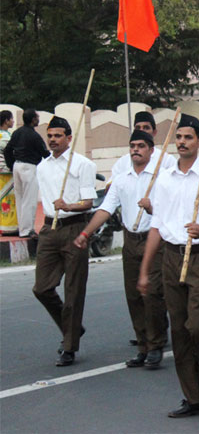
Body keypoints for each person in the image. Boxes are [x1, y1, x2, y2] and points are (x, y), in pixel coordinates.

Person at [137, 114, 199, 417]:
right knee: (179, 331)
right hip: (171, 256)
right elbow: (157, 225)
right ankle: (193, 398)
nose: (182, 142)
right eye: (178, 137)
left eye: (188, 137)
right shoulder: (164, 179)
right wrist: (144, 269)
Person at [74, 130, 166, 369]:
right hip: (131, 240)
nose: (136, 149)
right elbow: (105, 209)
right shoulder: (122, 179)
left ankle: (156, 345)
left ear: (151, 150)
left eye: (141, 146)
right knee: (134, 295)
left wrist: (152, 208)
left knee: (152, 293)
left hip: (154, 239)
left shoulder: (161, 177)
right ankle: (144, 346)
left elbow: (171, 213)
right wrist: (86, 233)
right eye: (133, 145)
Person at [33, 116, 97, 366]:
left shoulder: (83, 165)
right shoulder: (42, 166)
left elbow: (89, 203)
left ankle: (69, 346)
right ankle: (72, 328)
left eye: (58, 135)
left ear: (69, 138)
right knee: (42, 288)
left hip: (75, 228)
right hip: (50, 229)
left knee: (73, 291)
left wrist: (68, 205)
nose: (52, 140)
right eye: (50, 135)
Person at [4, 109, 49, 237]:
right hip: (29, 167)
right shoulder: (34, 136)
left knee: (20, 199)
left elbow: (8, 150)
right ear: (33, 119)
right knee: (29, 200)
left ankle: (21, 227)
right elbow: (44, 153)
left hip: (17, 166)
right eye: (37, 117)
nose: (38, 120)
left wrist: (12, 165)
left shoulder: (17, 133)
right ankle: (27, 230)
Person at [110, 111, 176, 179]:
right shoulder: (122, 163)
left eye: (146, 128)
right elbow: (111, 186)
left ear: (154, 132)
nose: (141, 131)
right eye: (138, 128)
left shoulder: (167, 160)